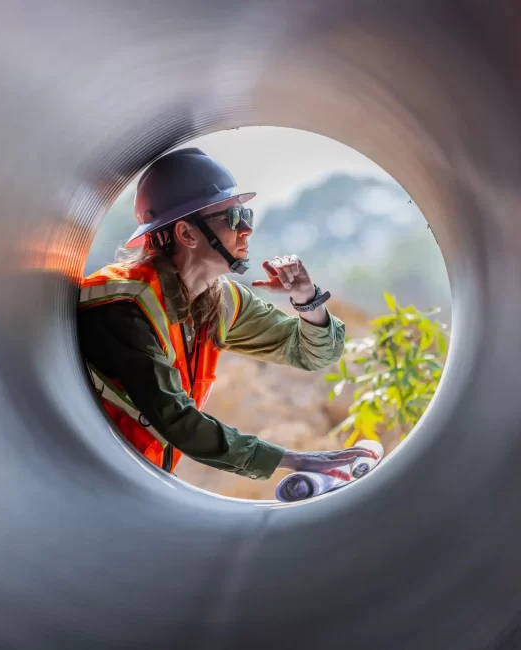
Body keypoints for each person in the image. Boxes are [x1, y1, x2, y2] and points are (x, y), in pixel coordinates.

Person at [78, 147, 376, 481]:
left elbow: (313, 353)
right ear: (187, 234)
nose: (246, 230)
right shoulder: (125, 305)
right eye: (234, 219)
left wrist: (306, 300)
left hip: (136, 477)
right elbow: (177, 421)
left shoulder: (220, 299)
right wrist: (297, 461)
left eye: (246, 216)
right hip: (89, 476)